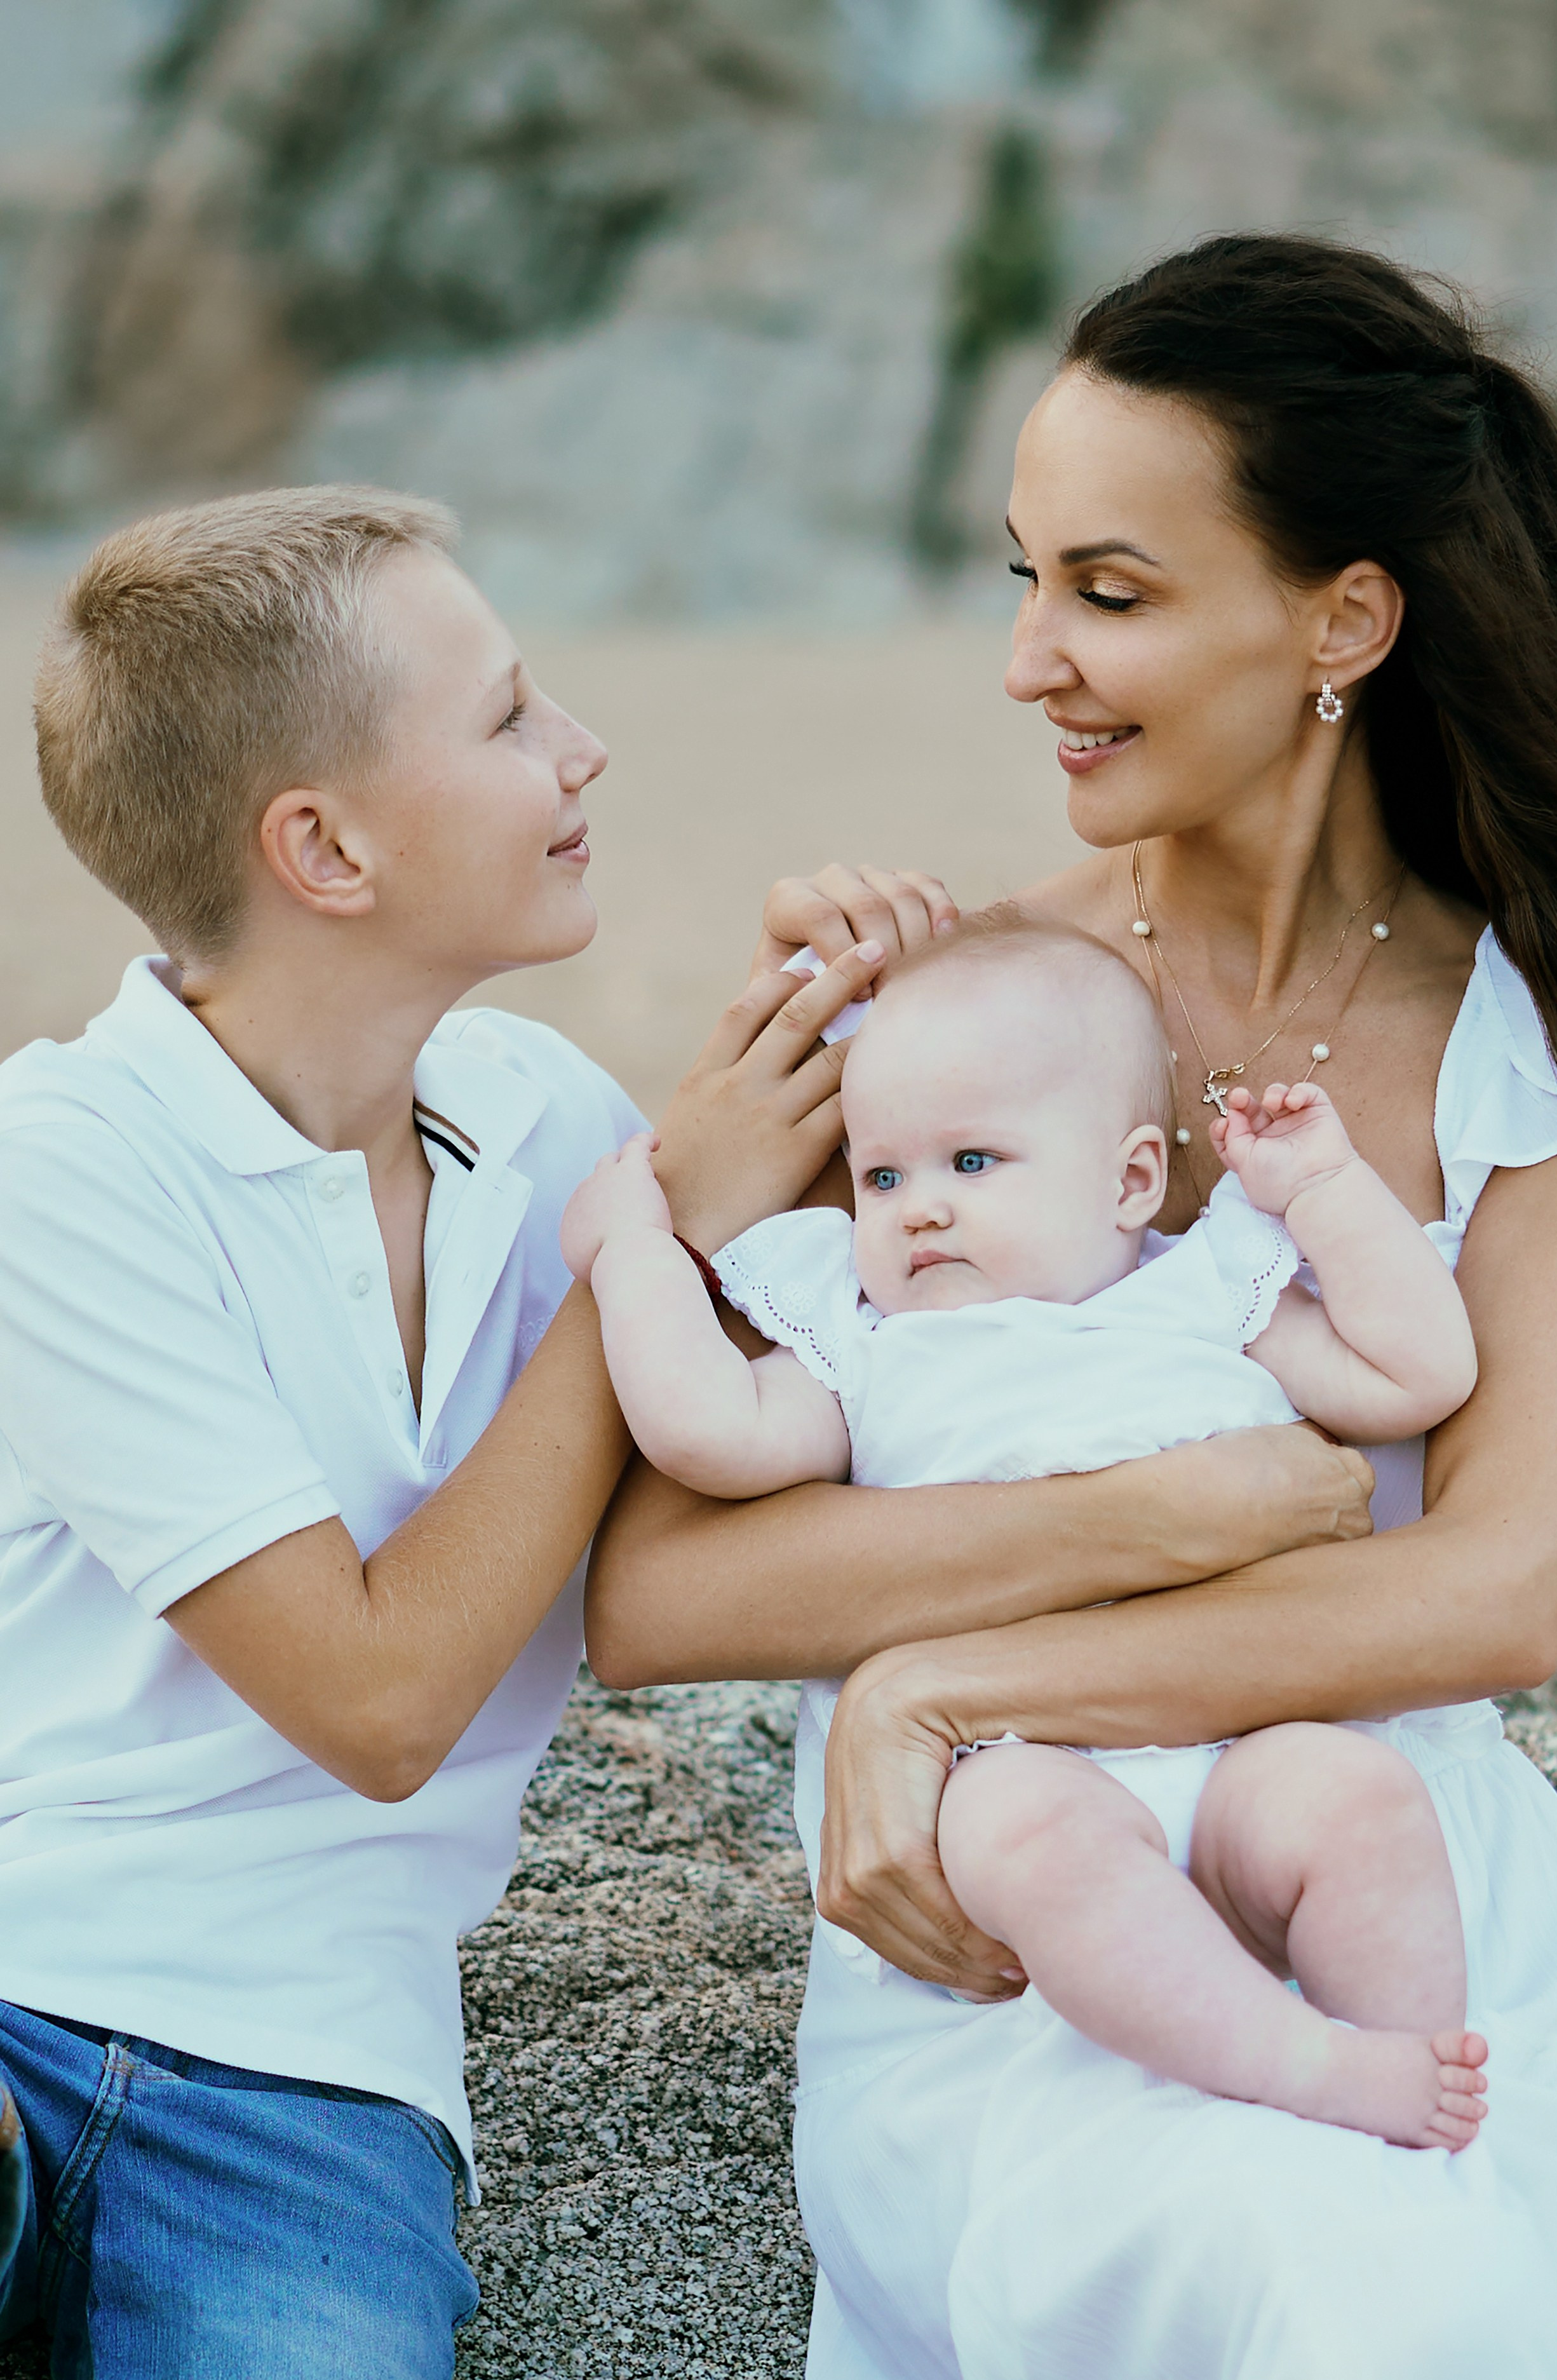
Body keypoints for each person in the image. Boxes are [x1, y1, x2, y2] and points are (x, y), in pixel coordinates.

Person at [583, 233, 1557, 2374]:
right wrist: (1142, 1547)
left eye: (1109, 592)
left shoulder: (1528, 1035)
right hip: (1009, 1949)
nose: (1029, 656)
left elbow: (1495, 1599)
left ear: (1345, 622)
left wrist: (934, 1672)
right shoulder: (935, 1027)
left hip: (1407, 1901)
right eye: (1023, 575)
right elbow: (661, 1580)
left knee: (1419, 2277)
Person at [0, 485, 894, 2376]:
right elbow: (376, 1699)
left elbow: (760, 1417)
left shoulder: (546, 1119)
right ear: (322, 846)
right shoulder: (61, 1162)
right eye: (503, 718)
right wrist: (647, 1240)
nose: (580, 746)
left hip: (322, 2086)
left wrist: (865, 1022)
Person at [567, 904, 1490, 2149]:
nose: (916, 1210)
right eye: (882, 1174)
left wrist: (1322, 1189)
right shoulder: (869, 1342)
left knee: (1356, 1795)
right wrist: (634, 1256)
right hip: (1021, 1764)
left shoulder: (1201, 1289)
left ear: (1127, 1181)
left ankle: (1402, 2076)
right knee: (1023, 1833)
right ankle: (1296, 2063)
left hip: (1247, 1725)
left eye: (973, 1163)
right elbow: (708, 1433)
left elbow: (1413, 1375)